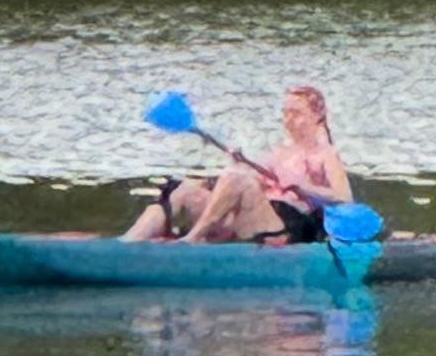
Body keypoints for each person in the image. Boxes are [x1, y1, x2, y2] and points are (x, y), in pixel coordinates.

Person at [128, 83, 353, 246]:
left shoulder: (326, 154)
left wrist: (304, 187)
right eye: (286, 113)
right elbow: (254, 184)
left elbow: (345, 199)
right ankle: (127, 243)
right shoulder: (279, 152)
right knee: (188, 189)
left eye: (297, 113)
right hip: (257, 218)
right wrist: (240, 164)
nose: (289, 120)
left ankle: (192, 239)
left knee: (238, 179)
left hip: (288, 228)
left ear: (317, 116)